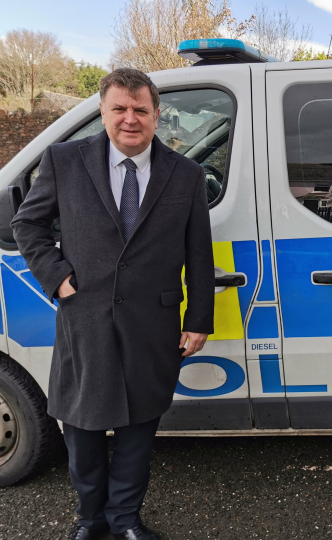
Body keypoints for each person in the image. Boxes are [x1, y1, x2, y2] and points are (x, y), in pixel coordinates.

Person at [12, 68, 215, 540]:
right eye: (119, 108)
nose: (130, 118)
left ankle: (125, 521)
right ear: (102, 113)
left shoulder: (186, 175)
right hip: (84, 320)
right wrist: (58, 278)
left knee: (138, 429)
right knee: (81, 430)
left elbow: (199, 254)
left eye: (140, 109)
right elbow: (28, 225)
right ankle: (90, 521)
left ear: (157, 116)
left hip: (153, 322)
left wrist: (199, 318)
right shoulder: (64, 160)